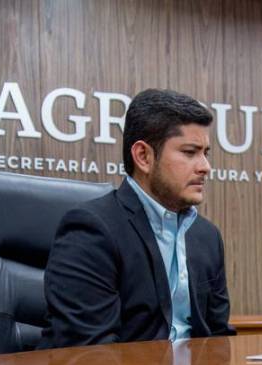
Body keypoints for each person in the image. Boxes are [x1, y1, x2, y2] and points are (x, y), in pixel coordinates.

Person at [38, 88, 234, 349]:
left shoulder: (206, 236)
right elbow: (90, 355)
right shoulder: (91, 230)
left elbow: (218, 339)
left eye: (205, 153)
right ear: (143, 156)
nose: (205, 167)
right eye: (189, 152)